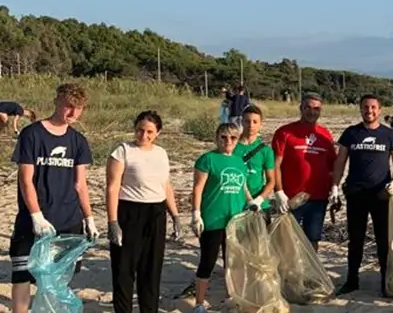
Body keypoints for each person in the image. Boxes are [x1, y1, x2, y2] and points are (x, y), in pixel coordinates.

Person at [9, 83, 99, 313]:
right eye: (69, 106)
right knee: (21, 275)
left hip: (68, 219)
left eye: (79, 109)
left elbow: (80, 184)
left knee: (56, 279)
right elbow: (26, 179)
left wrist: (89, 217)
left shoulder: (78, 141)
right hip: (33, 221)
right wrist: (36, 216)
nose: (73, 113)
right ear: (57, 102)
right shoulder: (33, 134)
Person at [106, 111, 183, 313]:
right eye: (140, 130)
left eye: (149, 131)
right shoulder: (123, 151)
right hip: (129, 212)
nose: (144, 135)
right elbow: (113, 187)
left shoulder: (161, 153)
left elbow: (165, 185)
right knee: (124, 269)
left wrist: (175, 216)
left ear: (157, 132)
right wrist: (113, 222)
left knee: (151, 269)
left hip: (156, 213)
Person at [331, 94, 393, 296]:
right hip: (356, 192)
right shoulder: (351, 133)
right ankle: (352, 279)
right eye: (365, 107)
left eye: (373, 107)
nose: (369, 110)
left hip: (381, 194)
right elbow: (340, 161)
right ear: (361, 109)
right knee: (355, 239)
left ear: (379, 110)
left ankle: (385, 281)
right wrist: (335, 187)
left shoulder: (389, 135)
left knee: (383, 239)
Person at [189, 123, 254, 313]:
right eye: (224, 137)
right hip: (213, 220)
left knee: (231, 262)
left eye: (233, 138)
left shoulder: (239, 161)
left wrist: (251, 202)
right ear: (217, 138)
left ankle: (231, 297)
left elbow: (243, 187)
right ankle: (200, 303)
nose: (228, 141)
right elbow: (198, 188)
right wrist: (196, 214)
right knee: (208, 261)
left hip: (235, 220)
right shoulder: (207, 159)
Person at [271, 92, 337, 250]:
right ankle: (287, 273)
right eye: (307, 107)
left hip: (318, 197)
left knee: (312, 239)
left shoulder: (325, 134)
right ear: (300, 108)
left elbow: (332, 166)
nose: (311, 111)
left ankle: (309, 273)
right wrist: (279, 191)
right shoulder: (284, 132)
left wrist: (334, 188)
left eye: (316, 109)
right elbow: (275, 165)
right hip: (291, 198)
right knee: (286, 238)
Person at [234, 105, 275, 212]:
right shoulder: (232, 146)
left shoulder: (265, 150)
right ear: (241, 122)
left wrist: (259, 200)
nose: (251, 125)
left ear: (261, 124)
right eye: (247, 121)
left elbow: (271, 181)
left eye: (255, 122)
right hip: (236, 202)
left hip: (260, 205)